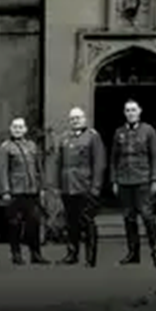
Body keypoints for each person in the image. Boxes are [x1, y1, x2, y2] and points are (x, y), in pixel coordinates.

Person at [110, 98, 156, 268]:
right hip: (124, 180)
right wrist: (114, 180)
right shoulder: (119, 132)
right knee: (129, 218)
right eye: (127, 110)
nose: (130, 113)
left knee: (147, 216)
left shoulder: (148, 131)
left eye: (133, 110)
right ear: (124, 113)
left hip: (143, 180)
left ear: (140, 111)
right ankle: (133, 253)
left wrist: (155, 179)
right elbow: (114, 159)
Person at [53, 106, 106, 266]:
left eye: (78, 118)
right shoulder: (64, 137)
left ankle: (90, 257)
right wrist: (58, 185)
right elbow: (59, 163)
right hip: (68, 187)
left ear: (84, 119)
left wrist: (96, 186)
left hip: (85, 186)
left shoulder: (92, 137)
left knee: (87, 222)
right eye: (72, 118)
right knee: (71, 223)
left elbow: (99, 163)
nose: (75, 121)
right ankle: (72, 254)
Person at [0, 117, 47, 266]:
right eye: (15, 127)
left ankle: (36, 254)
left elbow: (39, 169)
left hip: (32, 191)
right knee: (15, 224)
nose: (17, 130)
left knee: (34, 223)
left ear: (25, 129)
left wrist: (42, 187)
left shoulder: (32, 146)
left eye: (20, 127)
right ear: (11, 129)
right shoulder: (5, 147)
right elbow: (1, 170)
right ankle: (16, 254)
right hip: (15, 191)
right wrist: (5, 191)